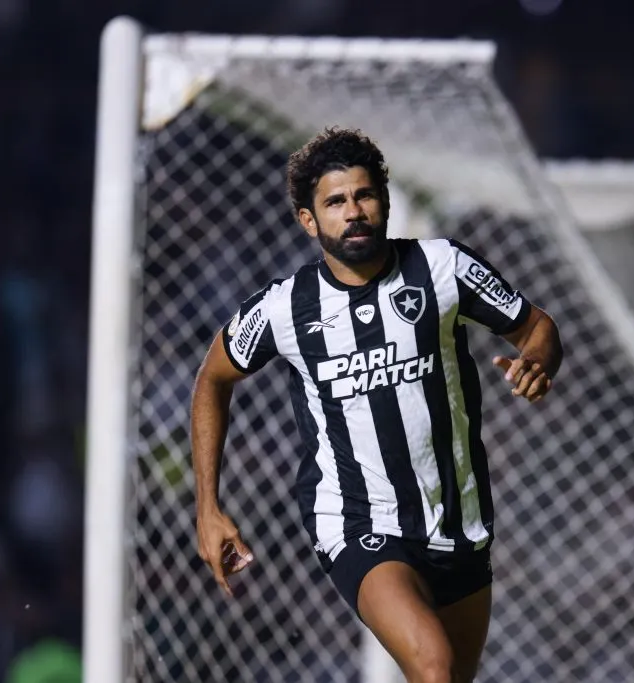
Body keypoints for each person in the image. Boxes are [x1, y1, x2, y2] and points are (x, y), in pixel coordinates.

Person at [192, 127, 563, 683]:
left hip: (458, 516)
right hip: (357, 520)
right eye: (335, 202)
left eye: (364, 196)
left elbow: (536, 327)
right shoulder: (286, 308)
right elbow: (211, 379)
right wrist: (207, 506)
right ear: (308, 220)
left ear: (385, 203)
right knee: (433, 666)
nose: (354, 212)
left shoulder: (442, 268)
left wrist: (538, 364)